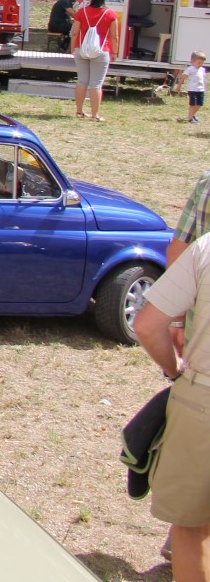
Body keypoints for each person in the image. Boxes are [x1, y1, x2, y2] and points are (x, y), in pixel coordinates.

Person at [133, 232, 210, 582]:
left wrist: (172, 371)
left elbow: (147, 325)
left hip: (202, 399)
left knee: (192, 527)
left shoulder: (205, 248)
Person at [70, 0, 120, 121]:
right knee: (96, 84)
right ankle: (95, 115)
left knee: (82, 81)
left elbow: (75, 32)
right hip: (101, 50)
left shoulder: (82, 12)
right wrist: (114, 52)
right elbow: (114, 36)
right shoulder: (110, 14)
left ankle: (79, 112)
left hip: (81, 49)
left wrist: (73, 47)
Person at [179, 51, 208, 125]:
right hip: (192, 89)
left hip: (200, 90)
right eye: (199, 63)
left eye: (202, 63)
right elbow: (183, 77)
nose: (200, 65)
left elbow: (203, 79)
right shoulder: (190, 69)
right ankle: (190, 118)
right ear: (192, 61)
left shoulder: (202, 69)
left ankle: (192, 115)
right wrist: (179, 85)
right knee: (193, 104)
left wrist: (205, 87)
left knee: (199, 104)